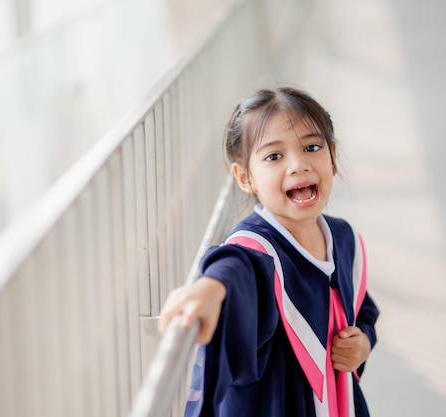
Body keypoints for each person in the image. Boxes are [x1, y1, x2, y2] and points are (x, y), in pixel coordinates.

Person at [158, 87, 379, 417]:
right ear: (245, 177)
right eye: (274, 156)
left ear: (333, 156)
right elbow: (234, 269)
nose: (298, 165)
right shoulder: (257, 247)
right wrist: (208, 288)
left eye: (312, 147)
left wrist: (362, 343)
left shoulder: (341, 238)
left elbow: (363, 311)